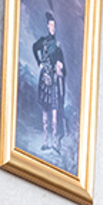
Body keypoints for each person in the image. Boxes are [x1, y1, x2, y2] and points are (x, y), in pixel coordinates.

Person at [32, 13, 66, 152]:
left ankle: (55, 143)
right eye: (51, 25)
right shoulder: (43, 41)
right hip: (45, 78)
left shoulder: (57, 45)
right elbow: (35, 48)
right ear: (48, 26)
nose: (53, 28)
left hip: (54, 80)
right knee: (45, 109)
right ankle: (46, 141)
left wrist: (60, 66)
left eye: (54, 25)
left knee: (54, 110)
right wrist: (39, 62)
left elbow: (60, 61)